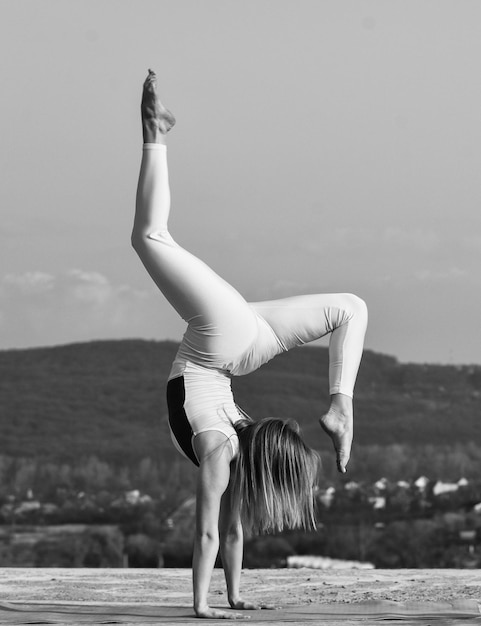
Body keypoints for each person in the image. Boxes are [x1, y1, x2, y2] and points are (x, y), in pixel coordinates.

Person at [132, 70, 368, 619]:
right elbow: (206, 534)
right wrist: (200, 608)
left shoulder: (228, 456)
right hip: (223, 348)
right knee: (149, 238)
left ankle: (341, 405)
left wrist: (233, 599)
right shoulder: (220, 453)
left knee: (350, 309)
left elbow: (230, 531)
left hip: (241, 346)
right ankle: (154, 132)